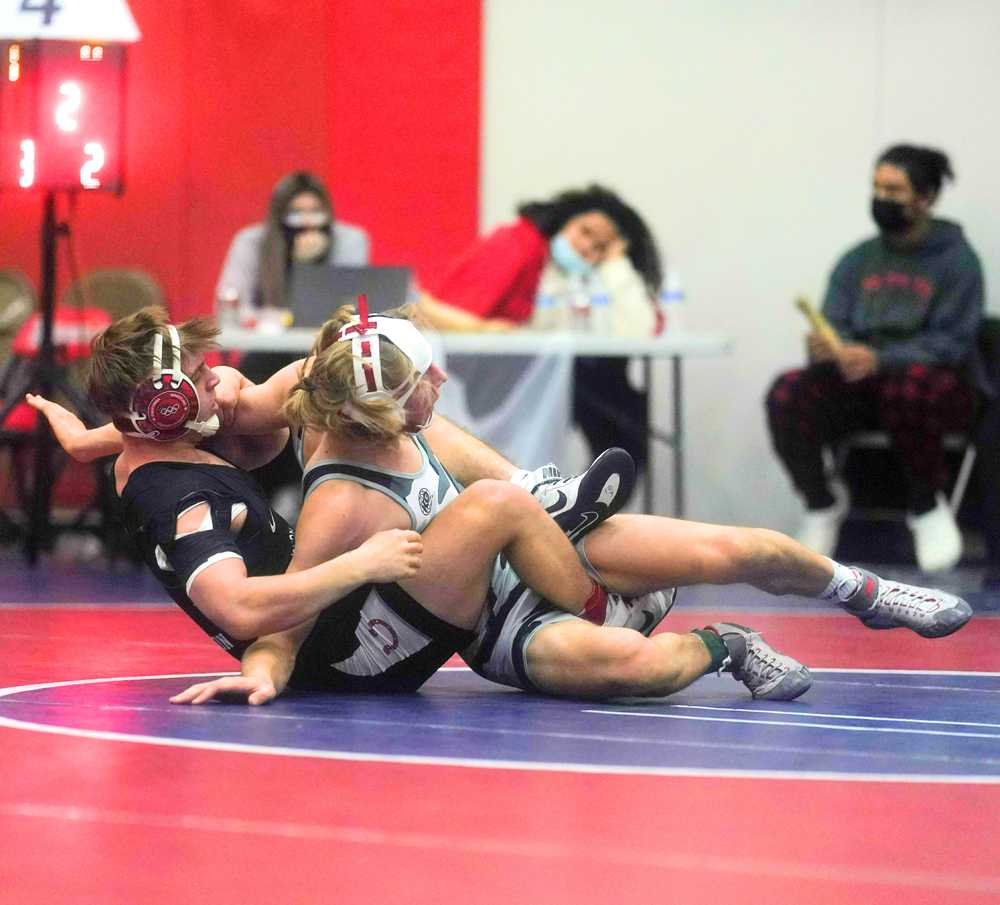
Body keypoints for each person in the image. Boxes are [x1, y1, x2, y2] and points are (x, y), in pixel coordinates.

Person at [155, 305, 970, 708]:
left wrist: (132, 428)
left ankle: (864, 592)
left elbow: (243, 397)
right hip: (498, 619)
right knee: (638, 665)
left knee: (736, 546)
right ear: (377, 409)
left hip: (541, 542)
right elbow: (289, 618)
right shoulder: (338, 495)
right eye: (422, 382)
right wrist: (260, 675)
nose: (440, 385)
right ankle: (728, 646)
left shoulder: (347, 393)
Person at [29, 306, 652, 697]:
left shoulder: (165, 434)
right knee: (456, 478)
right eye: (200, 376)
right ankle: (591, 591)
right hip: (347, 653)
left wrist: (86, 441)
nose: (217, 377)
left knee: (350, 394)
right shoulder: (182, 499)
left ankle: (535, 489)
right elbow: (241, 610)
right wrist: (362, 565)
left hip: (332, 609)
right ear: (168, 407)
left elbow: (136, 429)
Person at [765, 145, 985, 573]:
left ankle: (926, 503)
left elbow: (954, 343)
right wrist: (831, 347)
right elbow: (836, 320)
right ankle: (821, 503)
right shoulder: (858, 259)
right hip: (859, 382)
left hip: (930, 388)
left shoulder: (958, 261)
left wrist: (881, 359)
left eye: (893, 189)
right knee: (788, 392)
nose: (881, 197)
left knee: (912, 386)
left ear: (924, 197)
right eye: (876, 187)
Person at [418, 184, 662, 476]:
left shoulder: (582, 274)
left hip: (518, 380)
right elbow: (430, 310)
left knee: (618, 397)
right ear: (565, 218)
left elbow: (641, 329)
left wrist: (615, 263)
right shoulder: (520, 243)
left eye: (601, 248)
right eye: (584, 232)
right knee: (620, 413)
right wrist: (486, 329)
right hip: (477, 383)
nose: (587, 249)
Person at [215, 170, 371, 522]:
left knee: (334, 396)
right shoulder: (252, 243)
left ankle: (310, 491)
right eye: (295, 213)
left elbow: (347, 303)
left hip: (330, 353)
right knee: (268, 398)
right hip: (267, 356)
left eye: (314, 212)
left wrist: (311, 265)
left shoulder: (349, 240)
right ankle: (271, 490)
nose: (305, 222)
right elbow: (231, 305)